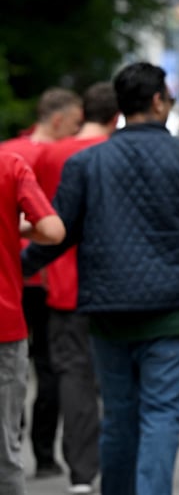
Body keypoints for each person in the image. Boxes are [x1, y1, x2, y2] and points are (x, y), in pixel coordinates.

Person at [21, 61, 179, 495]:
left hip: (108, 310)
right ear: (159, 100)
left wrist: (18, 268)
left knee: (119, 416)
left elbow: (59, 234)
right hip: (175, 310)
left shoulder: (87, 162)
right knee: (160, 415)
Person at [30, 81, 120, 494]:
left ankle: (81, 471)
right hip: (114, 283)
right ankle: (117, 463)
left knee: (72, 374)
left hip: (64, 282)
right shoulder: (118, 155)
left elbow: (49, 221)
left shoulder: (50, 154)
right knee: (114, 375)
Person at [0, 86, 82, 480]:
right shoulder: (20, 161)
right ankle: (43, 455)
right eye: (75, 122)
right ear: (58, 118)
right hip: (38, 278)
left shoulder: (16, 150)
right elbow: (54, 227)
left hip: (21, 277)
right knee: (45, 369)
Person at [0, 151, 65, 495]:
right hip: (4, 322)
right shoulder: (9, 165)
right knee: (4, 446)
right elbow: (53, 231)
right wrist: (16, 227)